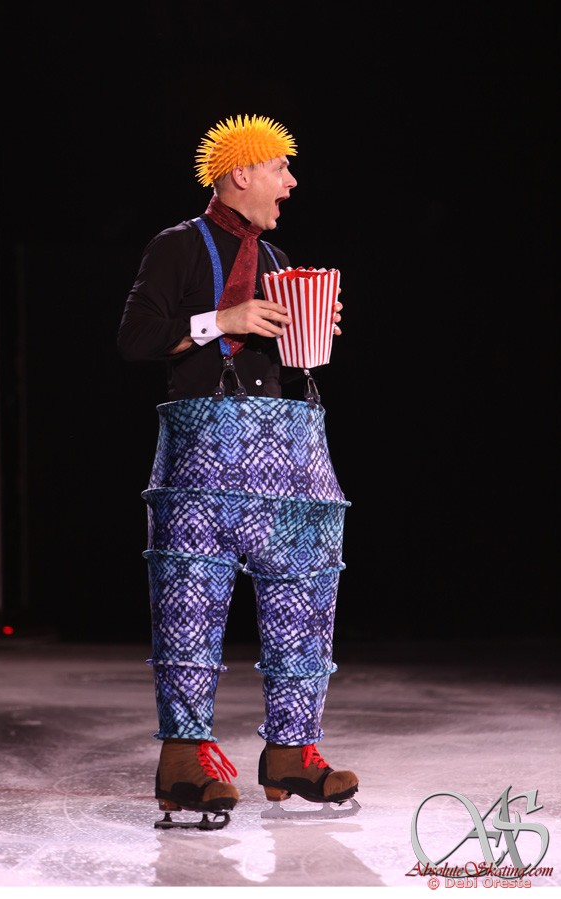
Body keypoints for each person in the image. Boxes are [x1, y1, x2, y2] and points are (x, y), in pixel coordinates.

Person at [117, 114, 359, 827]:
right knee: (190, 604)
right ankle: (184, 760)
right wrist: (221, 321)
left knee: (304, 600)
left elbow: (278, 357)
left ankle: (292, 753)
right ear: (241, 173)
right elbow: (135, 337)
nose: (292, 182)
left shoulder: (279, 259)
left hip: (285, 455)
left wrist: (309, 336)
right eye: (281, 168)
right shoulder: (177, 245)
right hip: (202, 457)